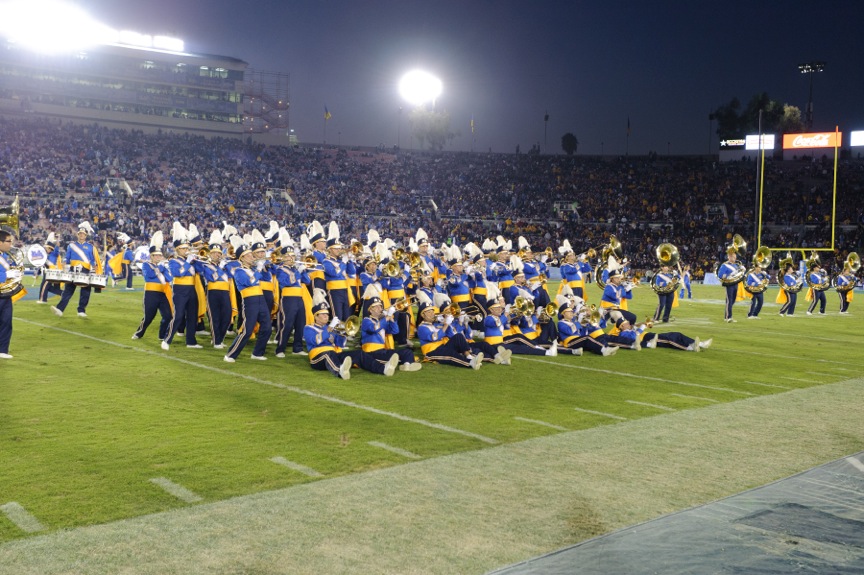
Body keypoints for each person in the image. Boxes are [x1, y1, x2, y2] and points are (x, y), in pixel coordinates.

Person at [304, 288, 399, 379]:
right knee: (327, 354)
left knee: (359, 354)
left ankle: (383, 369)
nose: (326, 316)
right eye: (323, 314)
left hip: (333, 354)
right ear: (316, 317)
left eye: (327, 314)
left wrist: (344, 332)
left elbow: (341, 343)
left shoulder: (330, 328)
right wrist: (329, 328)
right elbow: (316, 340)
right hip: (317, 359)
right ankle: (340, 371)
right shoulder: (308, 328)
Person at [223, 232, 273, 362]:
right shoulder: (239, 271)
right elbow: (251, 281)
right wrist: (258, 269)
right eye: (249, 255)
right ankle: (230, 354)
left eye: (251, 254)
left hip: (261, 299)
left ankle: (257, 353)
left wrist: (265, 267)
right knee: (247, 329)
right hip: (249, 301)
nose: (252, 256)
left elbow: (267, 278)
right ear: (242, 258)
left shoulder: (253, 269)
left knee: (267, 327)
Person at [360, 286, 422, 371]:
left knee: (407, 352)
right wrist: (387, 317)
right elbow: (374, 328)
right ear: (371, 310)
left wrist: (392, 319)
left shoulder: (381, 321)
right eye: (377, 307)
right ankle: (406, 362)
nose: (380, 308)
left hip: (382, 350)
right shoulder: (366, 321)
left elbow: (394, 331)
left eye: (380, 306)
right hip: (371, 353)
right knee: (394, 356)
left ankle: (407, 365)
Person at [161, 222, 202, 350]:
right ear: (177, 249)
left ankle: (191, 341)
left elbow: (200, 270)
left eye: (187, 248)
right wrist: (188, 263)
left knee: (192, 316)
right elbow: (177, 274)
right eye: (184, 249)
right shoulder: (173, 261)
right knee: (178, 316)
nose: (186, 250)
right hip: (179, 291)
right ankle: (167, 340)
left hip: (191, 290)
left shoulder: (189, 260)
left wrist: (196, 260)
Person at [193, 229, 233, 349]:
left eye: (219, 253)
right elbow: (213, 277)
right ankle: (216, 341)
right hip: (212, 292)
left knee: (227, 316)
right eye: (215, 253)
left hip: (225, 292)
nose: (217, 255)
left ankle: (219, 338)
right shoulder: (206, 265)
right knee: (214, 317)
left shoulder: (224, 265)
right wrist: (221, 269)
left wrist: (225, 266)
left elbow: (231, 275)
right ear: (209, 254)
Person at [51, 221, 100, 318]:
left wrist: (95, 268)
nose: (81, 235)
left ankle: (81, 310)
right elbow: (67, 257)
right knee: (68, 290)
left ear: (86, 236)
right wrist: (64, 263)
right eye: (80, 234)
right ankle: (60, 309)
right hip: (73, 270)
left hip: (85, 270)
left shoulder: (90, 247)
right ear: (78, 235)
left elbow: (92, 260)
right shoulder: (71, 245)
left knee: (85, 291)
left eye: (83, 234)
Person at [131, 231, 173, 341]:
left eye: (160, 255)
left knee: (168, 315)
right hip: (151, 294)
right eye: (157, 255)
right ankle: (139, 333)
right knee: (149, 317)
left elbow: (169, 278)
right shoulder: (146, 264)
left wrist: (162, 268)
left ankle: (162, 335)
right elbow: (148, 276)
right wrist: (160, 269)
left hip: (162, 293)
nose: (159, 257)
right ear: (152, 256)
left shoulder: (162, 266)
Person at [0, 229, 23, 359]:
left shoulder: (5, 256)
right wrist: (6, 275)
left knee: (6, 322)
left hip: (6, 294)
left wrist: (16, 274)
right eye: (8, 241)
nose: (11, 244)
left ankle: (3, 350)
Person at [717, 246, 743, 323]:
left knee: (732, 300)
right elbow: (720, 275)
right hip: (729, 284)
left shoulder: (736, 265)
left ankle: (727, 316)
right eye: (733, 257)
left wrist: (742, 270)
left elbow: (739, 275)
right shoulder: (724, 265)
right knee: (729, 300)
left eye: (735, 257)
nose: (734, 258)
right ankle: (729, 317)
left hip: (735, 284)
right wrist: (728, 275)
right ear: (729, 257)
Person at [36, 232, 63, 304]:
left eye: (46, 248)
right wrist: (37, 273)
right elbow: (42, 264)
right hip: (48, 272)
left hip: (52, 273)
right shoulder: (46, 255)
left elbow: (57, 246)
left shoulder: (54, 253)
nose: (45, 249)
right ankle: (62, 293)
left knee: (44, 286)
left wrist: (57, 239)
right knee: (48, 287)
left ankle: (43, 300)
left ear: (50, 248)